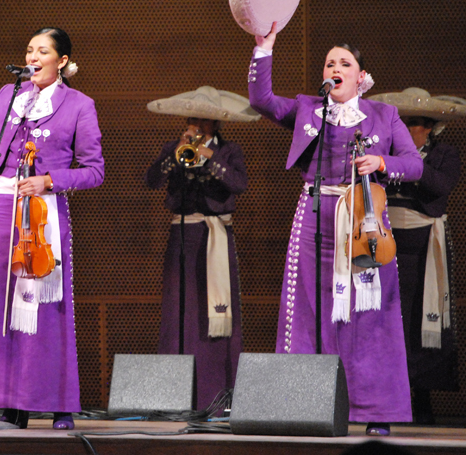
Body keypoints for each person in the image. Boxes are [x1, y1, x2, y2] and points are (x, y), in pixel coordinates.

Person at [248, 23, 423, 435]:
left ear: (362, 76)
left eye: (345, 63)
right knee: (307, 310)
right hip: (315, 218)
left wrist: (382, 164)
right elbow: (262, 100)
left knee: (370, 314)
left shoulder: (385, 114)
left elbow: (414, 165)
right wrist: (264, 48)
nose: (337, 68)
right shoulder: (310, 108)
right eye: (330, 63)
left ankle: (375, 412)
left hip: (364, 222)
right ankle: (301, 406)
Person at [0, 27, 104, 430]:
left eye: (42, 51)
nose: (33, 56)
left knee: (47, 310)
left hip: (43, 214)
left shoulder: (79, 105)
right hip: (1, 210)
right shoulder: (7, 95)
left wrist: (49, 181)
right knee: (0, 307)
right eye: (29, 49)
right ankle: (9, 402)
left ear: (62, 61)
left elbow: (95, 171)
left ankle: (59, 403)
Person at [145, 87, 258, 412]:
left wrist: (208, 159)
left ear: (216, 123)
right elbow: (152, 180)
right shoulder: (174, 147)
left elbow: (239, 184)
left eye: (202, 120)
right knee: (179, 311)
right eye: (192, 118)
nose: (196, 125)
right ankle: (174, 396)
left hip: (216, 237)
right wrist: (174, 156)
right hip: (182, 235)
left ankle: (215, 395)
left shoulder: (230, 150)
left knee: (214, 315)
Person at [376, 88, 465, 424]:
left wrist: (410, 163)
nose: (404, 128)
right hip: (386, 240)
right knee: (387, 316)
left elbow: (440, 187)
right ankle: (385, 394)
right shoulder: (386, 152)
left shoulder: (445, 154)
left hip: (424, 242)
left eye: (412, 123)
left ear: (428, 127)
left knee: (418, 319)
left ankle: (419, 395)